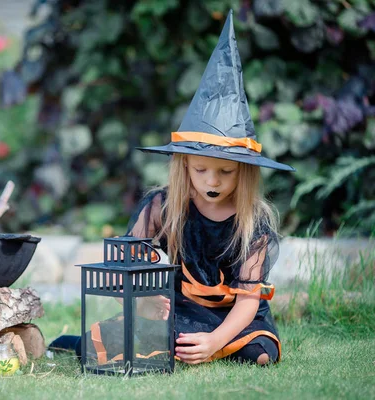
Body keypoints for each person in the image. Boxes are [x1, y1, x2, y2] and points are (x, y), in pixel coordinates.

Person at [49, 10, 295, 365]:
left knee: (260, 354)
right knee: (132, 337)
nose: (212, 181)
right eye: (201, 169)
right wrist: (145, 302)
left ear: (245, 173)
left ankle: (208, 347)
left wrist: (214, 342)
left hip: (231, 320)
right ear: (184, 167)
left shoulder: (253, 224)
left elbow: (246, 303)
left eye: (226, 172)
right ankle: (79, 342)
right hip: (175, 311)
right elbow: (125, 271)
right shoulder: (161, 208)